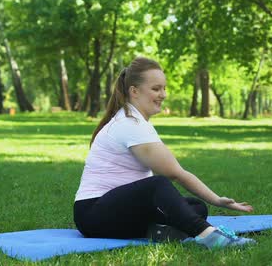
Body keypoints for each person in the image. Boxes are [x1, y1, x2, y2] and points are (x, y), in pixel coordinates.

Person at [73, 57, 255, 249]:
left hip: (119, 212)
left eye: (164, 88)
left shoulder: (135, 120)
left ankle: (157, 232)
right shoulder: (129, 124)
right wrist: (217, 200)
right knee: (158, 184)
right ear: (134, 91)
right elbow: (174, 173)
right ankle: (209, 236)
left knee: (195, 207)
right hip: (93, 214)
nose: (163, 94)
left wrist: (214, 200)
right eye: (156, 89)